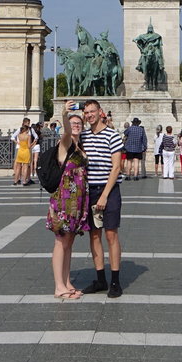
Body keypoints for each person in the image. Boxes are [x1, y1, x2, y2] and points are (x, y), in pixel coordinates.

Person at [76, 99, 124, 298]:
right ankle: (100, 279)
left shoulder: (113, 135)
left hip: (109, 191)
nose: (89, 115)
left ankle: (115, 281)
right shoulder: (84, 136)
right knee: (94, 235)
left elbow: (116, 167)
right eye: (86, 112)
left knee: (110, 234)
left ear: (100, 112)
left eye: (92, 111)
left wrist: (104, 195)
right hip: (90, 191)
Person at [48, 112, 90, 299]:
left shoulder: (79, 145)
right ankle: (59, 286)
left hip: (77, 198)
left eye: (79, 123)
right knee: (61, 241)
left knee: (69, 242)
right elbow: (66, 131)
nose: (76, 125)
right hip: (64, 198)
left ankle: (66, 281)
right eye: (73, 123)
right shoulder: (65, 144)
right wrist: (65, 114)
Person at [13, 119, 34, 186]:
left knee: (18, 167)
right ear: (26, 130)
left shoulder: (19, 135)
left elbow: (14, 139)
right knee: (25, 167)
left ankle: (15, 180)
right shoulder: (28, 136)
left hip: (20, 151)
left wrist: (18, 143)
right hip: (26, 151)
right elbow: (28, 146)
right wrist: (34, 143)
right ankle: (24, 181)